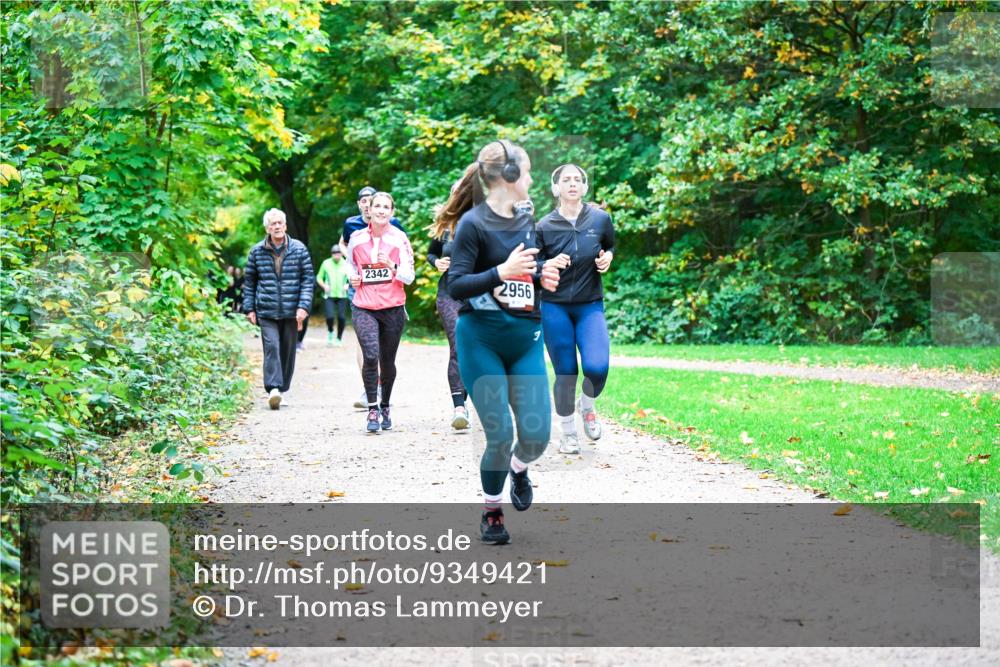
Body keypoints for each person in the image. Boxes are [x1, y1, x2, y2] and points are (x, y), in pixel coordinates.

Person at [446, 140, 561, 545]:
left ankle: (519, 468)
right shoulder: (473, 225)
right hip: (482, 340)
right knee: (498, 434)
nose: (531, 180)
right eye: (527, 172)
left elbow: (526, 267)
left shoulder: (527, 218)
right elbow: (456, 285)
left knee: (536, 437)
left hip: (526, 337)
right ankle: (492, 513)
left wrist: (543, 272)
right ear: (509, 177)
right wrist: (501, 271)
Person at [537, 164, 615, 454]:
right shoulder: (543, 226)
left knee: (597, 367)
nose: (572, 183)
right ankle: (568, 434)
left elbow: (609, 246)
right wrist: (546, 264)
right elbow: (531, 266)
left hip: (589, 306)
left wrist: (607, 256)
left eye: (577, 180)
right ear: (556, 188)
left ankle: (588, 405)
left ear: (584, 188)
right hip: (555, 307)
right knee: (566, 372)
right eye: (565, 180)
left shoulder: (601, 219)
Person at [346, 191, 415, 433]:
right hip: (364, 306)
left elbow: (409, 275)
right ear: (369, 209)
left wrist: (391, 266)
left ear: (391, 212)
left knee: (387, 362)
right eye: (377, 206)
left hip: (393, 307)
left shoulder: (399, 239)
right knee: (371, 355)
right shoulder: (355, 238)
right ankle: (372, 410)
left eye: (386, 207)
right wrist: (352, 277)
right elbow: (350, 265)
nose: (381, 210)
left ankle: (385, 405)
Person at [243, 208, 314, 410]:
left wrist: (303, 306)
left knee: (288, 351)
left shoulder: (299, 249)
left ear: (285, 226)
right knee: (272, 347)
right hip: (266, 310)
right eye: (273, 223)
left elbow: (308, 280)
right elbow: (249, 282)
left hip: (292, 311)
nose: (277, 226)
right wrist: (249, 308)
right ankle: (273, 388)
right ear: (267, 228)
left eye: (280, 223)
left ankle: (281, 389)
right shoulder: (257, 251)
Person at [428, 183, 471, 431]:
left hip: (478, 295)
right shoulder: (444, 225)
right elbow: (430, 253)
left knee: (474, 350)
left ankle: (467, 403)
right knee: (457, 344)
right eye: (457, 192)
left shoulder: (484, 221)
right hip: (449, 294)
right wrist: (437, 263)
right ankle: (458, 406)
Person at [316, 244, 351, 346]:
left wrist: (348, 285)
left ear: (341, 254)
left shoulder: (346, 264)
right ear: (331, 254)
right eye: (334, 254)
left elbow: (353, 277)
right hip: (329, 295)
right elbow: (319, 277)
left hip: (342, 295)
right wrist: (324, 285)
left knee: (341, 317)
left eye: (338, 253)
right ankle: (330, 332)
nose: (336, 255)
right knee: (330, 316)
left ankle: (339, 338)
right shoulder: (326, 263)